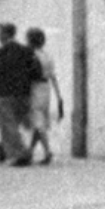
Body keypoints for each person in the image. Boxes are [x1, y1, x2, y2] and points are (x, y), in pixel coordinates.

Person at [0, 22, 37, 166]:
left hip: (6, 94)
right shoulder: (26, 51)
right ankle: (2, 149)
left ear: (5, 34)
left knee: (8, 125)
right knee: (14, 124)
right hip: (24, 94)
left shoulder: (1, 52)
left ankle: (21, 154)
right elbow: (35, 72)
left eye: (0, 33)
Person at [24, 27, 63, 165]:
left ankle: (48, 151)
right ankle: (30, 151)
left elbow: (28, 74)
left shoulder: (31, 55)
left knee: (38, 121)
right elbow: (53, 76)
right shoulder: (47, 55)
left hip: (35, 87)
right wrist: (59, 96)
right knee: (39, 120)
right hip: (46, 89)